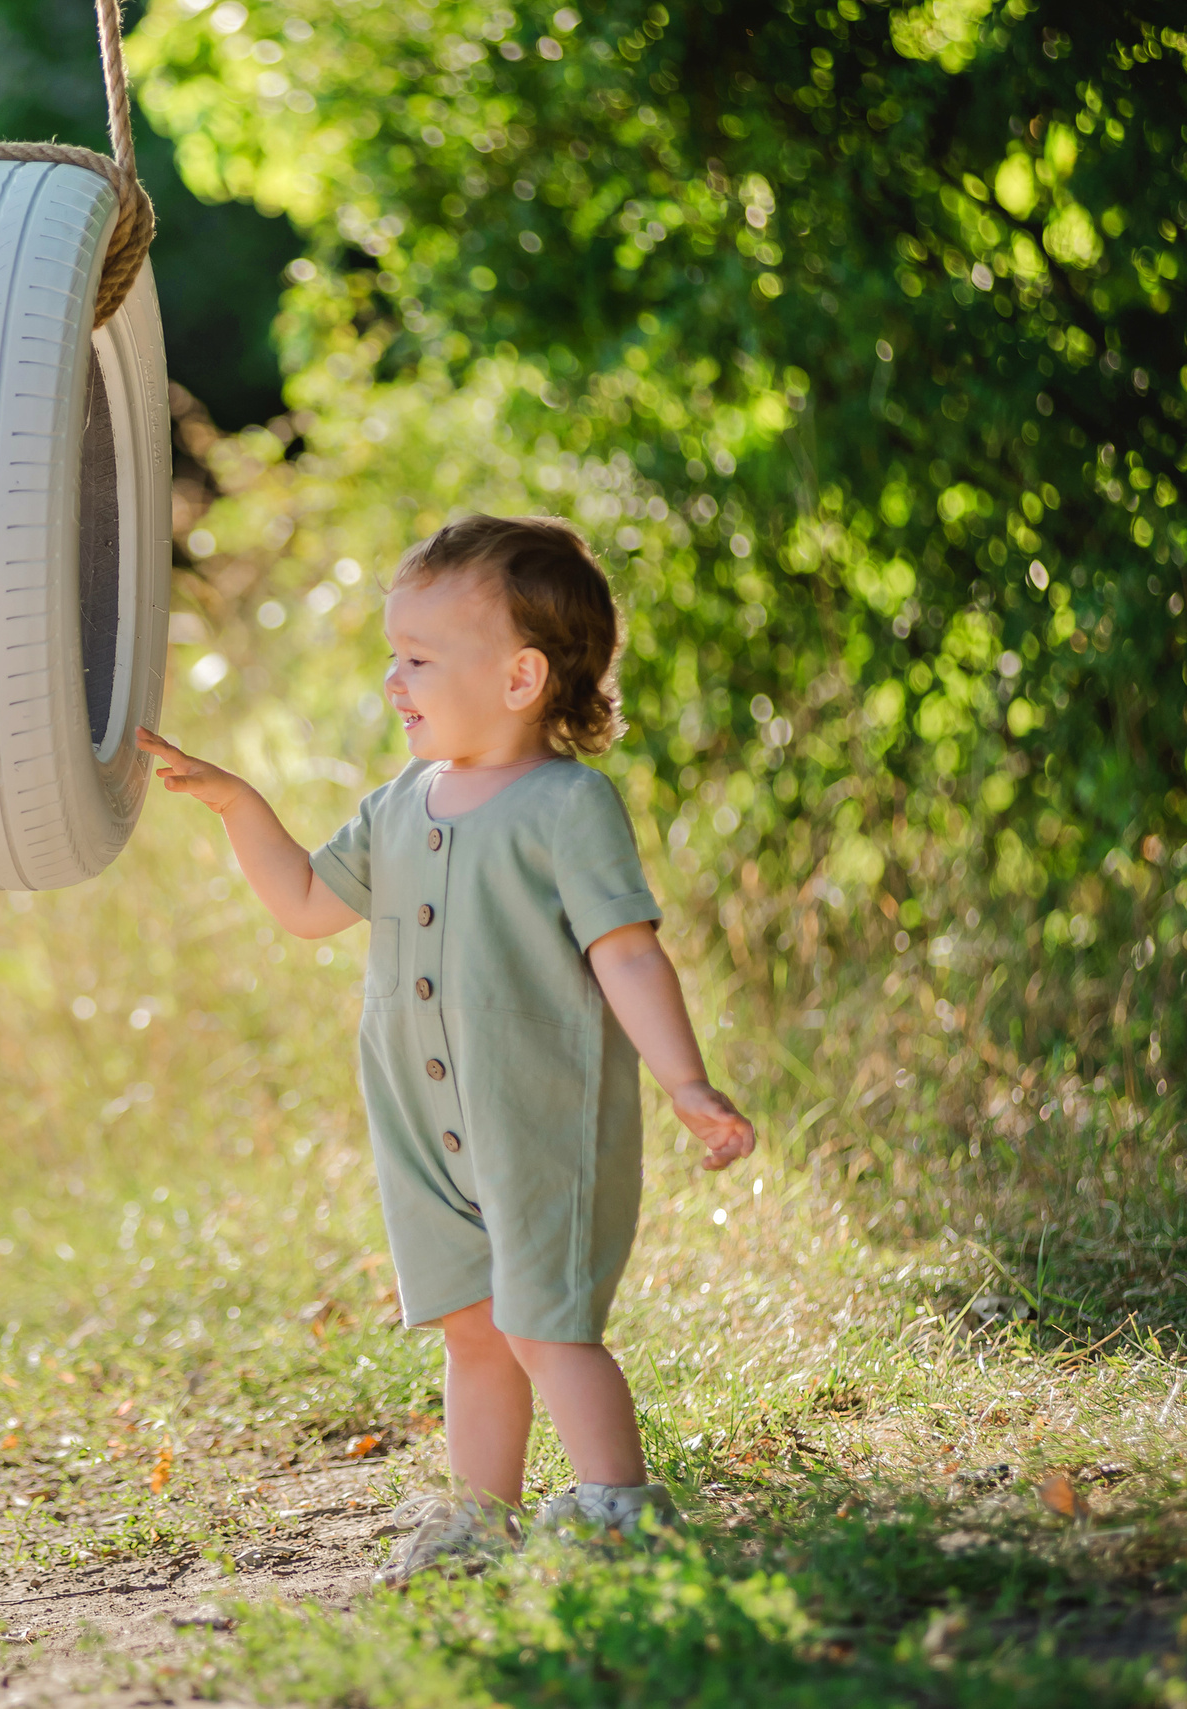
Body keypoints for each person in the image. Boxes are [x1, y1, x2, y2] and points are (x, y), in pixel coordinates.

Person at [134, 513, 755, 1585]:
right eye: (392, 654)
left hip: (534, 1117)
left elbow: (628, 954)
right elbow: (303, 905)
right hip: (422, 1123)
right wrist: (238, 803)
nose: (393, 679)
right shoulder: (394, 807)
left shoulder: (566, 805)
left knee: (544, 1320)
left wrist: (685, 1079)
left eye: (418, 658)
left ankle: (618, 1508)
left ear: (519, 676)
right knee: (472, 1324)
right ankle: (482, 1514)